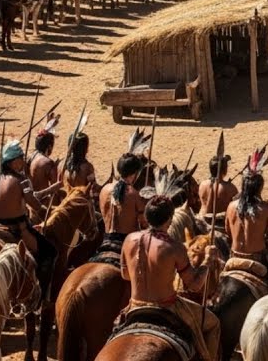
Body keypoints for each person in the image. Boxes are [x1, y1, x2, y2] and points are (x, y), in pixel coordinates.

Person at [117, 169, 221, 361]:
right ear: (170, 219)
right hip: (167, 307)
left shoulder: (129, 239)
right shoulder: (174, 247)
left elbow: (124, 275)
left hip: (134, 306)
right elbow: (194, 285)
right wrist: (207, 260)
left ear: (147, 217)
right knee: (213, 324)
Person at [0, 140, 57, 297]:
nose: (24, 160)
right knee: (50, 253)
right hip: (19, 231)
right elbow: (35, 205)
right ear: (13, 161)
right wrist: (49, 212)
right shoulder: (22, 180)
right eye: (21, 157)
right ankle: (41, 296)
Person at [224, 148, 268, 296]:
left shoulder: (231, 207)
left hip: (233, 257)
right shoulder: (266, 209)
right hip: (258, 260)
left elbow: (228, 232)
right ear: (260, 188)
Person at [97, 153, 146, 262]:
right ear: (134, 173)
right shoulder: (133, 194)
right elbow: (144, 223)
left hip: (105, 240)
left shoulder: (105, 189)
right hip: (127, 243)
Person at [199, 154, 236, 232]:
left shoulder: (202, 184)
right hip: (218, 226)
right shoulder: (230, 188)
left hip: (201, 222)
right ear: (224, 170)